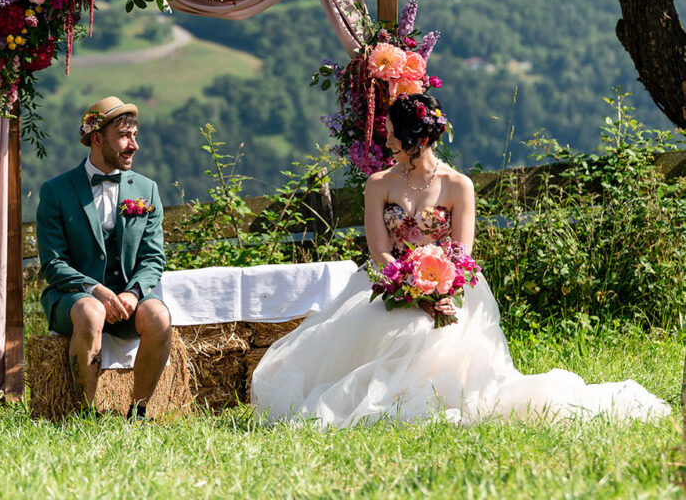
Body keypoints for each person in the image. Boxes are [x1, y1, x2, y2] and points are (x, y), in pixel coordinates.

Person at [251, 92, 671, 427]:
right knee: (385, 326)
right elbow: (378, 249)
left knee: (428, 332)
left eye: (394, 133)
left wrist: (437, 290)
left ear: (416, 139)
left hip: (449, 285)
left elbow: (461, 252)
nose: (388, 140)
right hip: (389, 281)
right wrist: (406, 285)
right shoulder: (378, 184)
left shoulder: (458, 185)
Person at [36, 96, 171, 418]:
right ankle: (86, 412)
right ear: (97, 139)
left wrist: (132, 292)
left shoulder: (147, 189)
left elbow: (154, 258)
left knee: (160, 318)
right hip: (73, 299)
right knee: (91, 312)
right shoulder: (56, 190)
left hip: (128, 297)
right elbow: (53, 263)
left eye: (135, 136)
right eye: (125, 136)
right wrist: (95, 291)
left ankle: (138, 411)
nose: (134, 145)